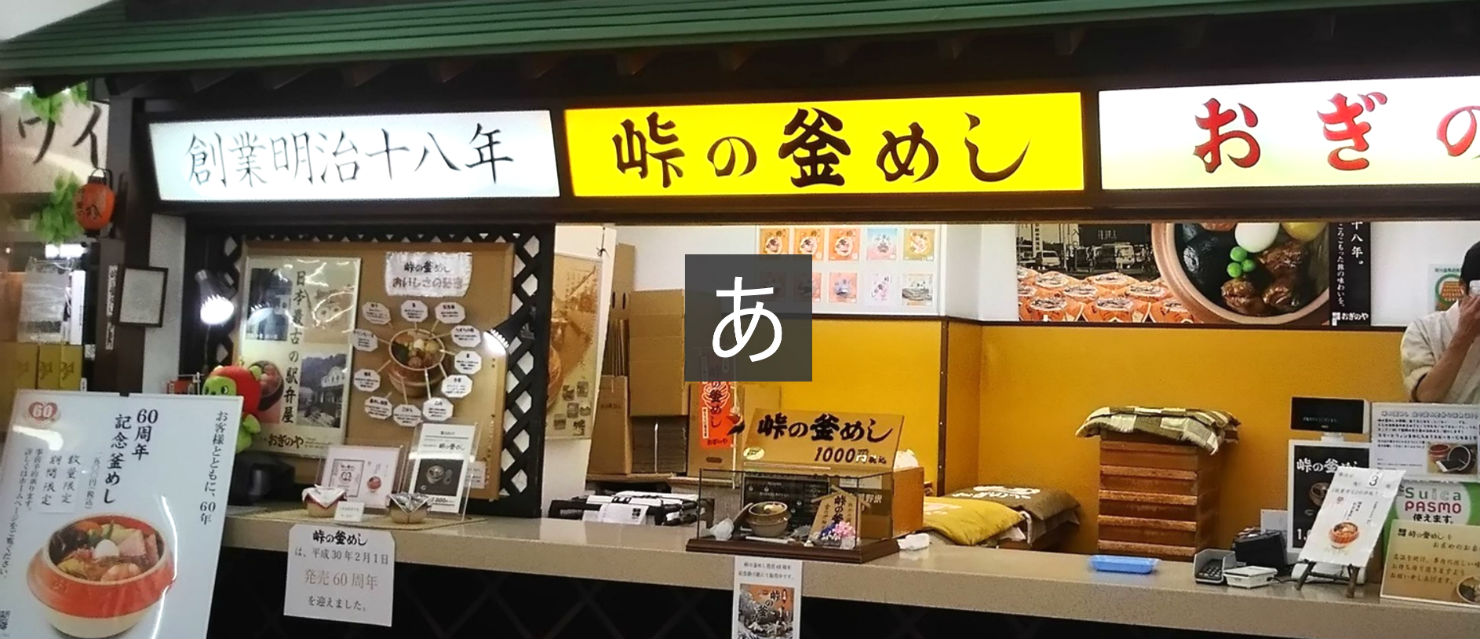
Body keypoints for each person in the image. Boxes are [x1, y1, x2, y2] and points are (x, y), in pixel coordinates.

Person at [1403, 241, 1480, 403]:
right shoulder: (1423, 330)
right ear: (1462, 287)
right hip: (1442, 420)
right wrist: (1463, 336)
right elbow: (1426, 396)